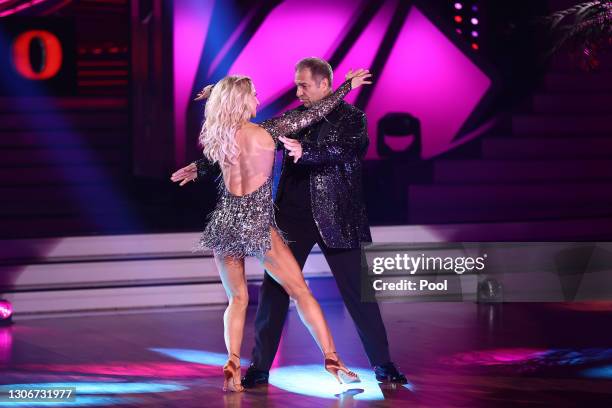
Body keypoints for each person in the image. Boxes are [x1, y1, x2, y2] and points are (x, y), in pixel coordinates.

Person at [170, 69, 372, 392]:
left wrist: (197, 166)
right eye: (252, 95)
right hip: (258, 226)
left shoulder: (218, 135)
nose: (258, 99)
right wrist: (347, 85)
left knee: (237, 299)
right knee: (301, 291)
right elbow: (317, 111)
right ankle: (332, 358)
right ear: (241, 101)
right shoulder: (268, 132)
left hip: (225, 223)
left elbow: (210, 160)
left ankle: (232, 362)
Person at [242, 58, 407, 388]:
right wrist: (202, 166)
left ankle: (383, 364)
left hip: (339, 216)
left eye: (304, 85)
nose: (298, 91)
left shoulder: (353, 118)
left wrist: (308, 151)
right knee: (275, 290)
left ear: (324, 84)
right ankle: (260, 366)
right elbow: (254, 137)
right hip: (293, 216)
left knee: (360, 294)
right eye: (297, 85)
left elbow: (346, 152)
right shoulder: (296, 118)